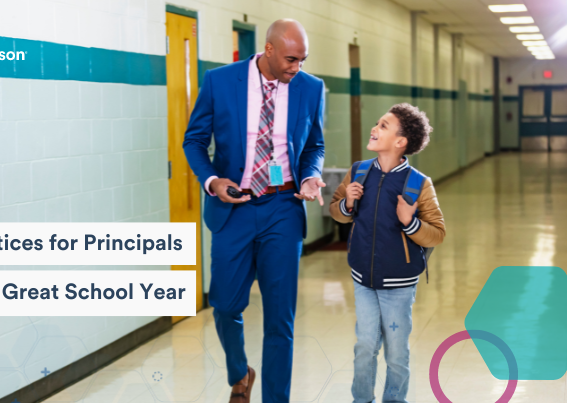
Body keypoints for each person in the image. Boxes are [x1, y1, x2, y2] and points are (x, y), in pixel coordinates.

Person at [183, 19, 326, 403]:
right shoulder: (220, 81)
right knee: (225, 305)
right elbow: (194, 140)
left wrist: (310, 176)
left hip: (282, 205)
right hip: (235, 206)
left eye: (303, 60)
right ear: (268, 49)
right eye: (291, 59)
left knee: (280, 318)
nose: (297, 68)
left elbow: (314, 145)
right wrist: (212, 180)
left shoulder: (311, 88)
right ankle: (239, 370)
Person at [329, 103, 445, 403]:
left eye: (382, 125)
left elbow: (437, 234)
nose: (374, 128)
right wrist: (347, 204)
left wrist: (410, 221)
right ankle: (361, 399)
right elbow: (337, 211)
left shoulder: (419, 184)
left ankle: (395, 399)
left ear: (400, 141)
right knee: (365, 345)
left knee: (396, 350)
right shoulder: (359, 171)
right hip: (362, 279)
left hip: (399, 283)